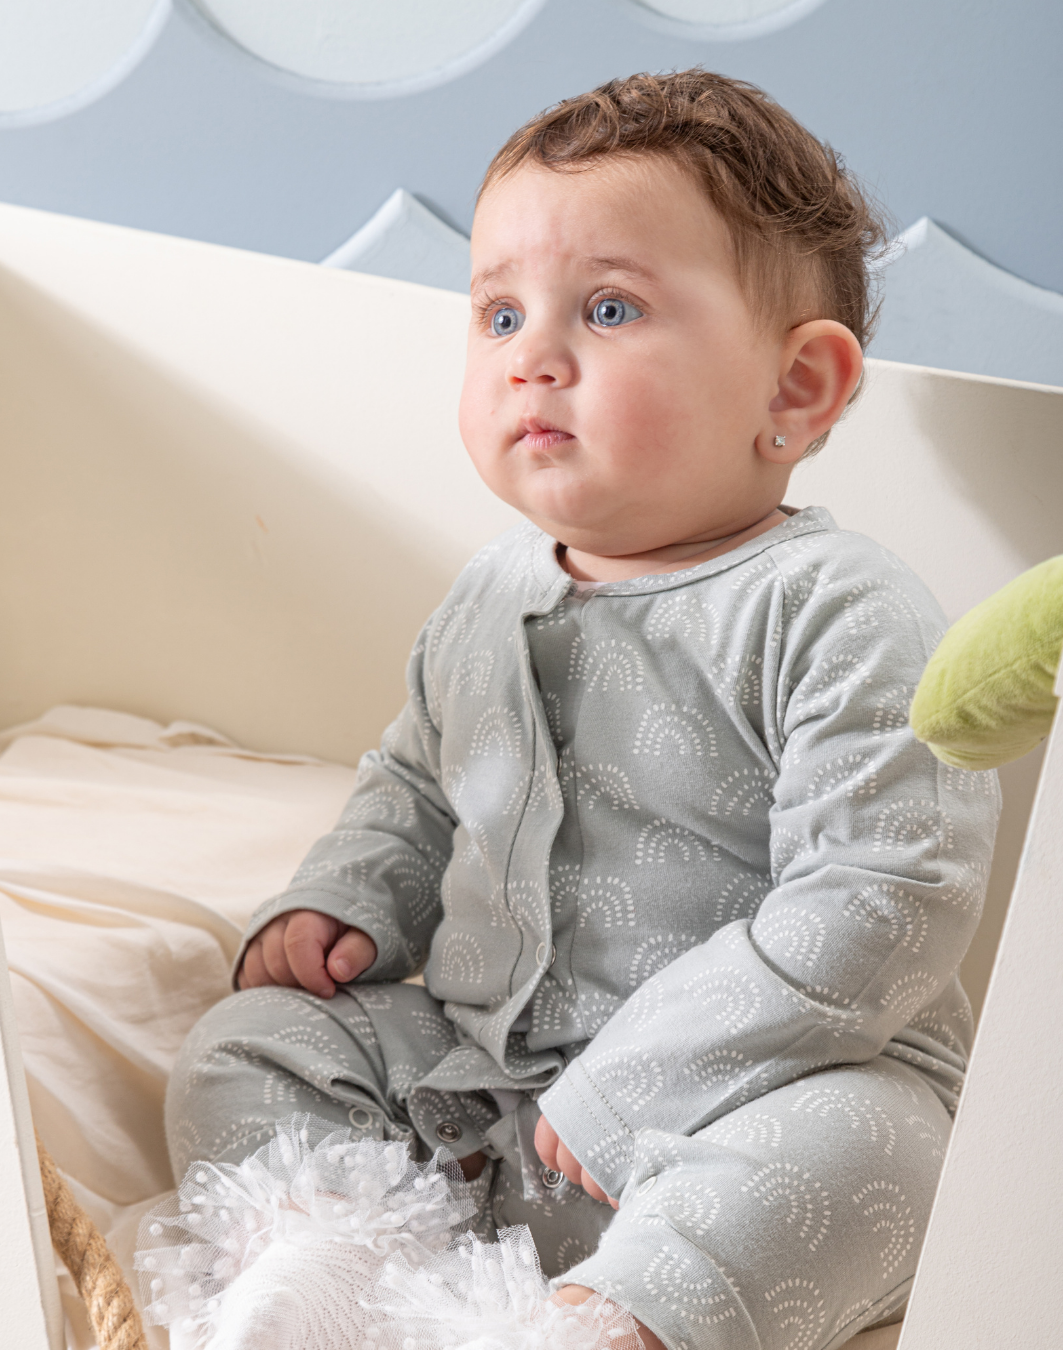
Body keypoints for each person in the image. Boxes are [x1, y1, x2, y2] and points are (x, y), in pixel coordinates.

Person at [164, 70, 1000, 1350]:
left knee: (890, 1152)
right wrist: (346, 901)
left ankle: (609, 1321)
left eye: (609, 309)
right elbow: (420, 783)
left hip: (756, 1094)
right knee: (250, 1045)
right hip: (488, 1085)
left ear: (794, 390)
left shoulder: (837, 609)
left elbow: (881, 902)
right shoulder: (486, 596)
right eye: (499, 314)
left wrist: (644, 1080)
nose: (532, 358)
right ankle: (345, 1268)